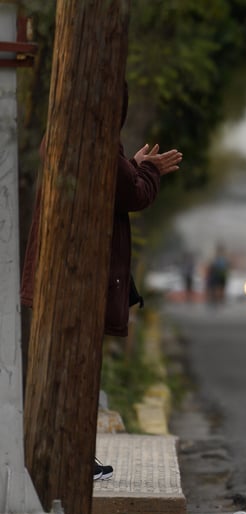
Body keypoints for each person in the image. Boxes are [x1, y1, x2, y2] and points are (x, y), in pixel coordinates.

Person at [20, 82, 182, 480]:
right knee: (77, 372)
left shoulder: (59, 138)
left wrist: (135, 163)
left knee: (61, 370)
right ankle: (70, 462)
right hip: (80, 280)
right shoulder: (95, 145)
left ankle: (61, 457)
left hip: (58, 276)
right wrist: (150, 169)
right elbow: (133, 193)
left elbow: (122, 180)